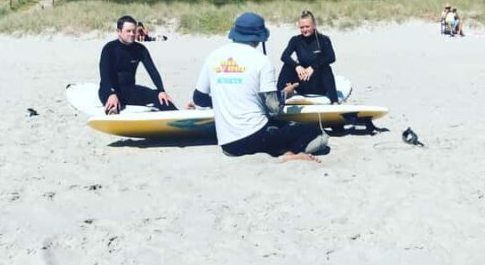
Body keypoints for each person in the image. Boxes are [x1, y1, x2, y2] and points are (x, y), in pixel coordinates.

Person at [189, 12, 327, 162]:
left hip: (228, 145)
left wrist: (223, 101)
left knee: (276, 129)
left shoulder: (213, 56)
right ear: (260, 38)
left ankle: (285, 152)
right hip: (256, 137)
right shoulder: (262, 61)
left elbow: (199, 99)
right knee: (317, 134)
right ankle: (287, 154)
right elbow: (273, 108)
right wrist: (285, 94)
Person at [99, 15, 177, 113]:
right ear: (119, 31)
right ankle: (113, 112)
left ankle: (177, 114)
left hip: (130, 90)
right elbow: (104, 75)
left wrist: (161, 90)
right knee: (114, 104)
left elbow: (152, 71)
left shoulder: (140, 49)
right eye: (128, 31)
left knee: (159, 96)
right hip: (108, 90)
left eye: (134, 31)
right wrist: (111, 93)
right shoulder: (109, 49)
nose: (132, 34)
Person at [277, 10, 339, 104]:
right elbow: (284, 56)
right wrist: (297, 66)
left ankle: (334, 101)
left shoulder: (323, 40)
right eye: (302, 27)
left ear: (314, 25)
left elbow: (331, 57)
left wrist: (313, 67)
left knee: (326, 68)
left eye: (307, 26)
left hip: (318, 84)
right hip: (301, 82)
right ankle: (278, 98)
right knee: (287, 66)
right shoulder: (295, 40)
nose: (305, 30)